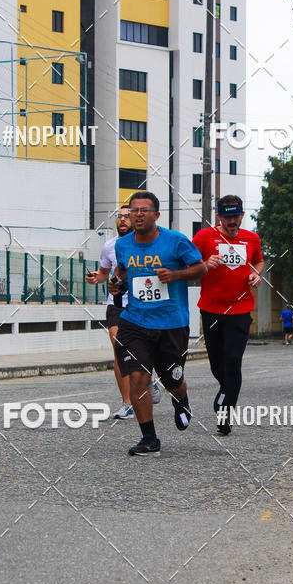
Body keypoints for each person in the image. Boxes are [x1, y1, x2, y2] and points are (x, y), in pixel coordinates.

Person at [110, 191, 207, 456]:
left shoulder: (176, 241)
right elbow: (121, 270)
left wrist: (175, 274)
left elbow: (201, 268)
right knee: (138, 376)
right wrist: (116, 282)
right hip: (134, 321)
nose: (138, 214)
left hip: (171, 324)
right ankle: (149, 438)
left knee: (171, 380)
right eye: (133, 210)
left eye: (144, 210)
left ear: (157, 215)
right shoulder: (123, 244)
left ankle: (181, 399)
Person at [192, 195, 264, 436]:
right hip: (211, 308)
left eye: (236, 216)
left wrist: (256, 275)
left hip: (240, 308)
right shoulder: (204, 237)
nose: (232, 221)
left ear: (242, 215)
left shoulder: (252, 238)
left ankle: (225, 413)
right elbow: (189, 265)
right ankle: (225, 390)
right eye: (227, 217)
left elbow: (258, 262)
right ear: (219, 217)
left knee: (233, 359)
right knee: (217, 363)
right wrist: (204, 263)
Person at [85, 206, 161, 418]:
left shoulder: (147, 244)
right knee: (119, 349)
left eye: (127, 216)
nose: (122, 220)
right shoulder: (110, 246)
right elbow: (103, 274)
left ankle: (148, 376)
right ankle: (127, 403)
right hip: (117, 303)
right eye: (119, 217)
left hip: (142, 303)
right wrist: (95, 278)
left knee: (145, 348)